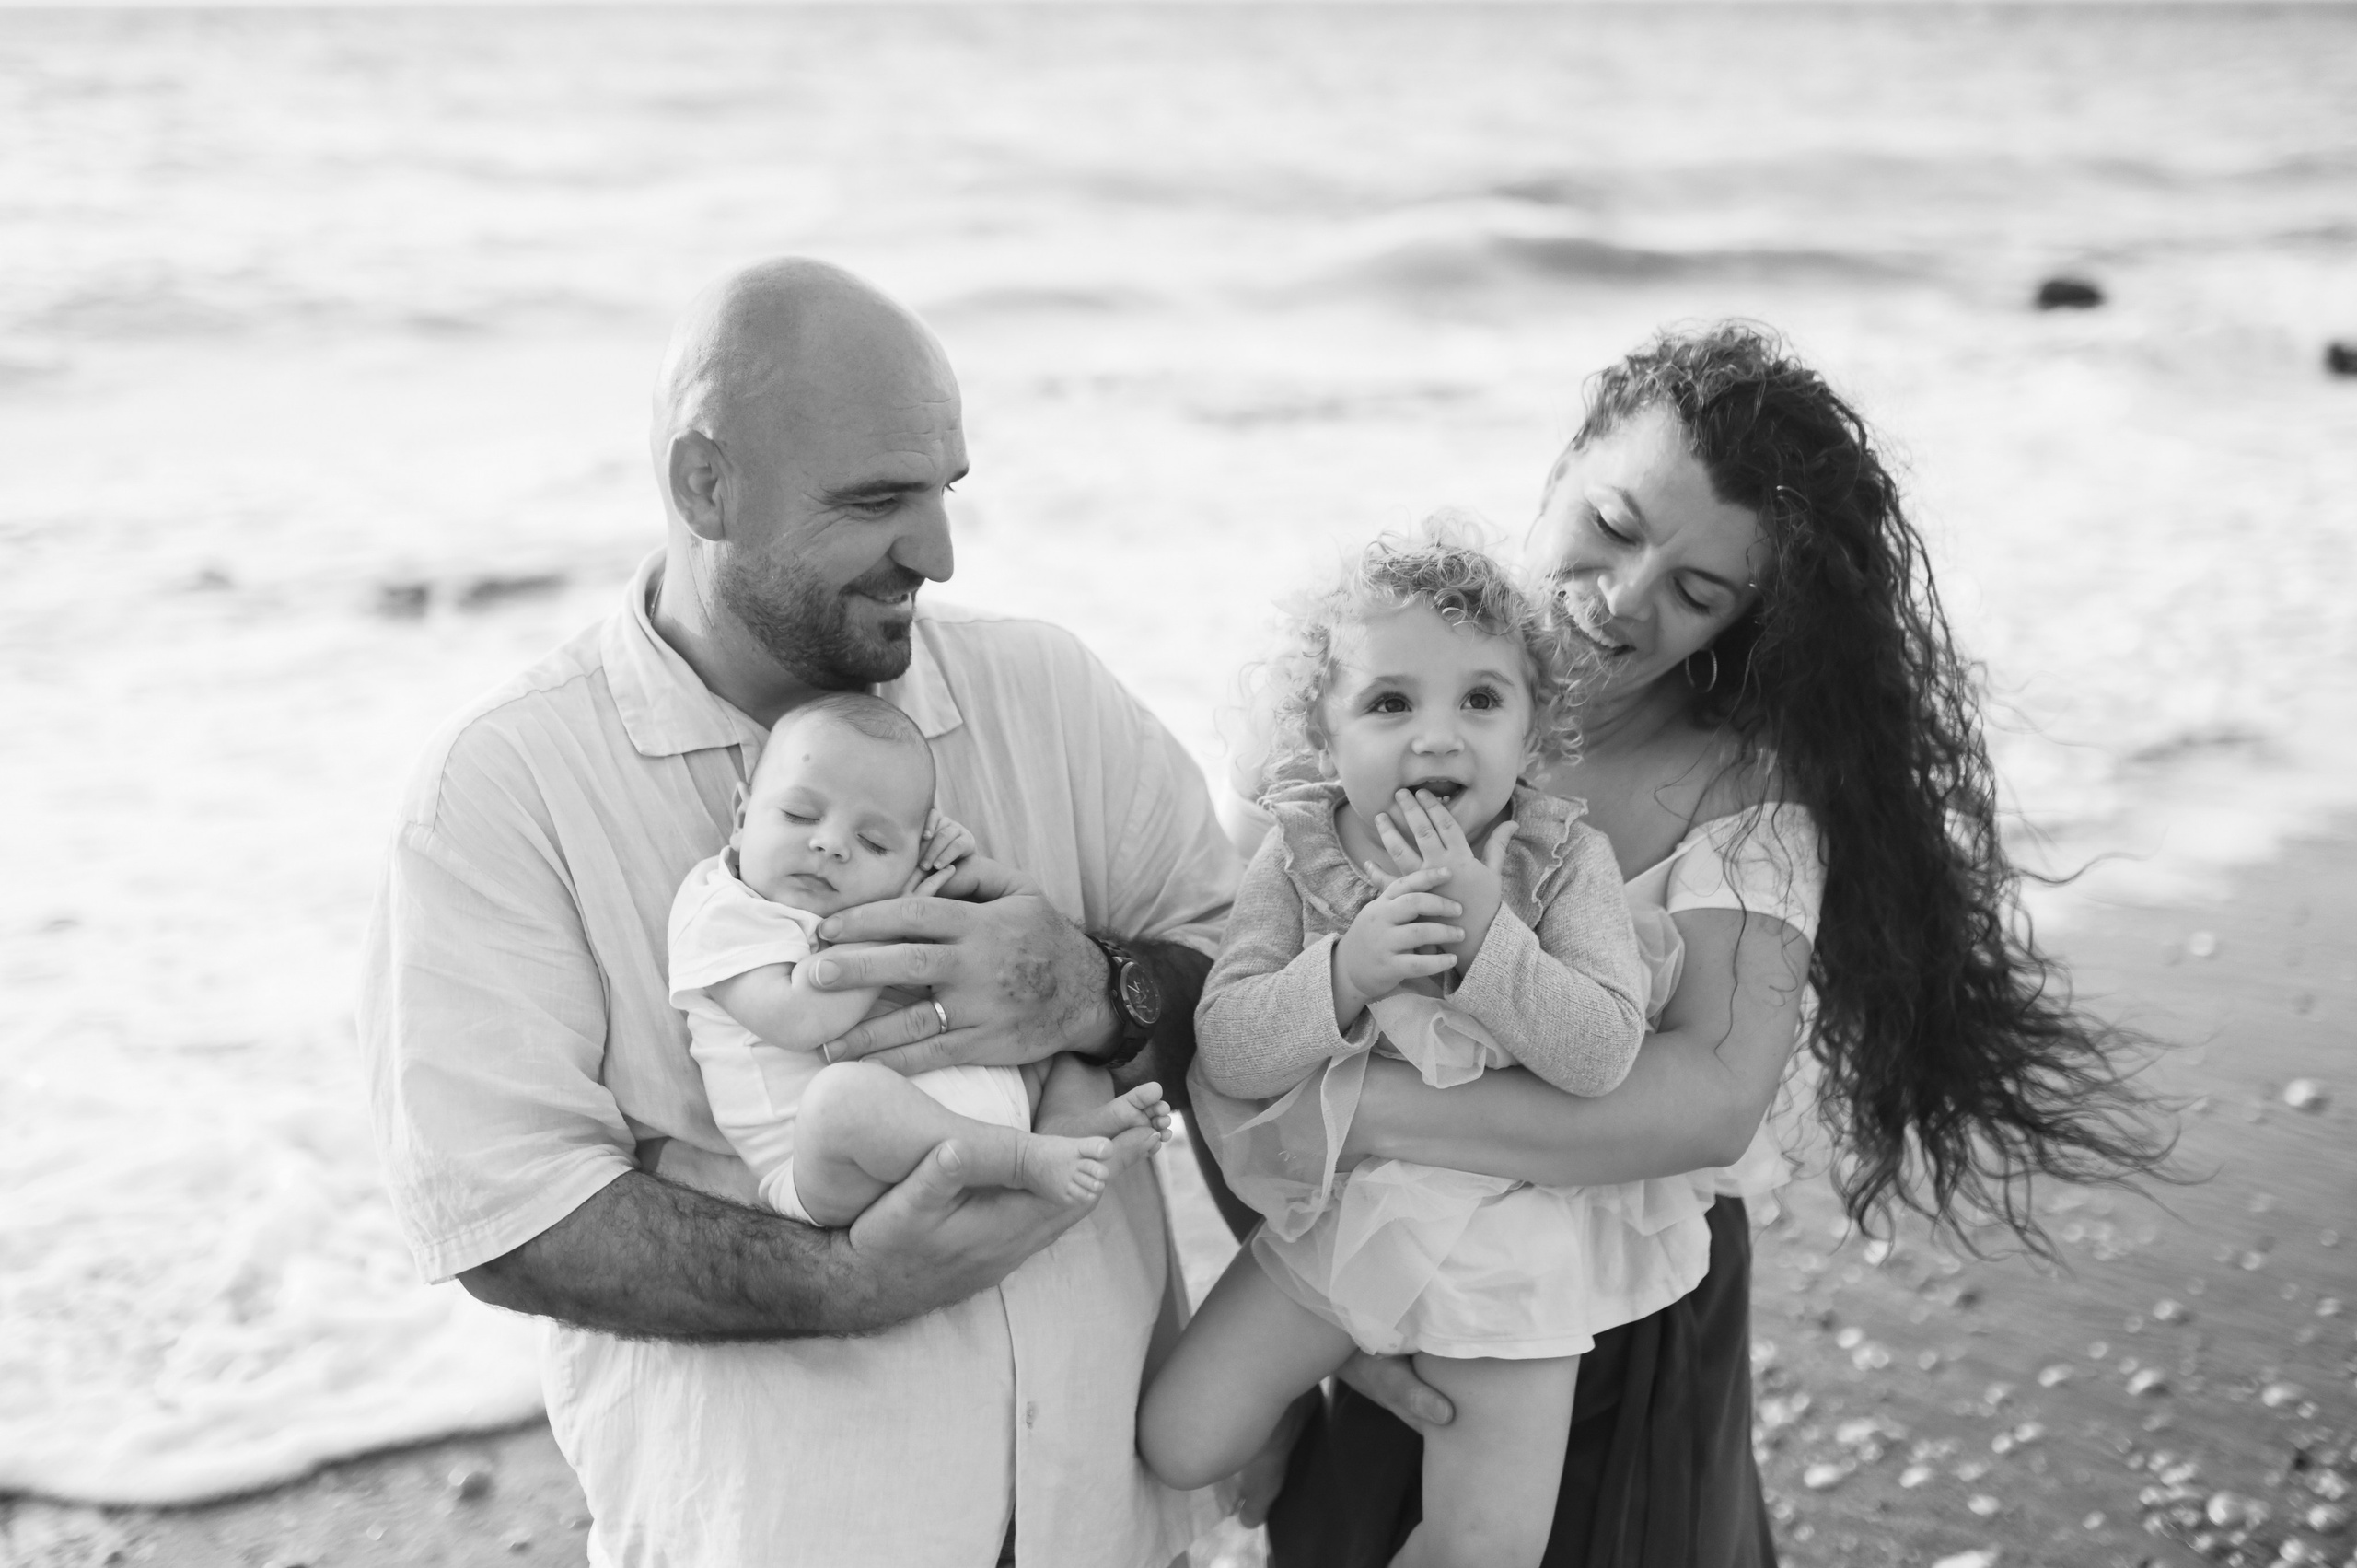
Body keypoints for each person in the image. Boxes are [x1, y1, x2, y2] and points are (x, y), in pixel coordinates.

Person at [357, 257, 1235, 1567]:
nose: (935, 551)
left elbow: (1260, 989)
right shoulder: (500, 793)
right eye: (878, 498)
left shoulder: (1045, 690)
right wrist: (843, 1281)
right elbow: (508, 1216)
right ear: (705, 483)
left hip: (1112, 1522)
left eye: (943, 491)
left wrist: (1096, 988)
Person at [1252, 323, 2168, 1566]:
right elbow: (1239, 1002)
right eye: (1614, 525)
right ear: (1560, 467)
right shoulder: (1371, 685)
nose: (1623, 598)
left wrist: (1363, 1118)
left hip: (1626, 1312)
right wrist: (1314, 1289)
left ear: (1748, 616)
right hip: (1358, 1269)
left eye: (1696, 589)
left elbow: (1704, 1102)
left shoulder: (1744, 791)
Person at [1142, 530, 1705, 1568]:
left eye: (1481, 700)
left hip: (1507, 1229)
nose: (1437, 737)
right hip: (1351, 1215)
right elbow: (1225, 1049)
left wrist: (1493, 938)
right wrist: (1343, 973)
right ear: (1321, 732)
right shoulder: (1300, 855)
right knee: (1179, 1441)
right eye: (1390, 702)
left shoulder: (1560, 857)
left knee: (1482, 1544)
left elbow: (1601, 1054)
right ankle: (1306, 1397)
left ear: (1535, 729)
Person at [669, 689, 1172, 1226]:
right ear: (742, 815)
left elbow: (983, 951)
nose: (832, 844)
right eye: (798, 814)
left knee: (1062, 1026)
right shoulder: (724, 908)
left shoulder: (884, 899)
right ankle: (1022, 1159)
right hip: (834, 1162)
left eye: (876, 843)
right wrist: (901, 908)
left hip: (972, 1114)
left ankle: (1061, 1131)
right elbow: (801, 1019)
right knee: (842, 1098)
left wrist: (943, 868)